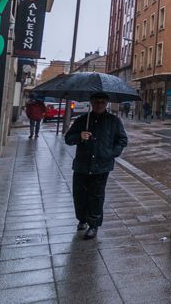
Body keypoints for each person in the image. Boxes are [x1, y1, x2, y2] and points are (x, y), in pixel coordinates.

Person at [65, 92, 128, 239]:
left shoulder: (113, 121)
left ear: (106, 103)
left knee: (96, 196)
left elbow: (122, 140)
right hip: (82, 164)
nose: (99, 105)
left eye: (102, 102)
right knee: (79, 195)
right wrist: (80, 136)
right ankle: (82, 219)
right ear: (91, 103)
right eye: (96, 102)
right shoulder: (82, 120)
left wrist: (112, 153)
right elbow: (68, 138)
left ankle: (93, 225)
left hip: (102, 165)